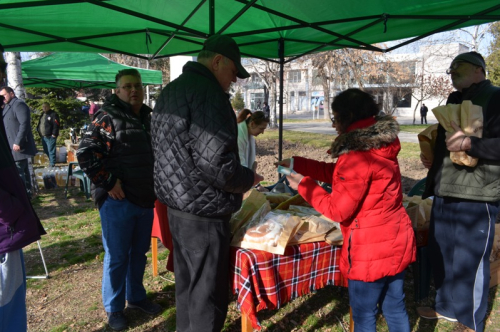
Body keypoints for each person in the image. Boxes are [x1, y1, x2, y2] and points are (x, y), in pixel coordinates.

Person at [276, 88, 416, 332]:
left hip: (369, 248)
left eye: (335, 118)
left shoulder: (357, 154)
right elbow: (344, 177)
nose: (333, 125)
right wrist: (301, 165)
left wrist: (302, 185)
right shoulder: (379, 144)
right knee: (395, 307)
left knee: (364, 316)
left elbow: (338, 210)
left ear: (348, 116)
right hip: (395, 239)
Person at [151, 34, 263, 332]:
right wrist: (249, 177)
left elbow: (165, 150)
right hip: (203, 213)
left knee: (188, 288)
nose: (234, 82)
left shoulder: (171, 90)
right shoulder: (209, 95)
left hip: (177, 206)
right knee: (207, 297)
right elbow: (219, 166)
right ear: (217, 62)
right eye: (232, 73)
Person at [417, 51, 500, 332]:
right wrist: (432, 159)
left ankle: (469, 319)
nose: (452, 72)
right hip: (445, 189)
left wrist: (469, 145)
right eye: (450, 69)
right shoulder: (453, 99)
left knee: (469, 259)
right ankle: (445, 307)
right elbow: (446, 142)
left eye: (458, 67)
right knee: (443, 252)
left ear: (479, 70)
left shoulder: (496, 97)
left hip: (478, 193)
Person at [77, 69, 161, 331]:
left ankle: (135, 297)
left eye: (137, 86)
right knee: (116, 257)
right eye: (127, 87)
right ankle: (114, 309)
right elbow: (85, 152)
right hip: (118, 201)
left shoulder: (147, 117)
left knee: (138, 254)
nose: (133, 90)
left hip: (144, 198)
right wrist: (108, 181)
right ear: (117, 90)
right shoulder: (107, 117)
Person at [0, 44, 46, 332]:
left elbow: (24, 125)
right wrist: (14, 210)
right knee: (9, 309)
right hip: (4, 228)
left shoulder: (17, 105)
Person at [0, 86, 37, 199]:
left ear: (11, 93)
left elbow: (24, 124)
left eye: (4, 95)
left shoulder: (18, 104)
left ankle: (25, 196)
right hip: (12, 145)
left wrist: (18, 142)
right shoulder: (8, 106)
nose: (2, 98)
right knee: (23, 171)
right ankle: (27, 195)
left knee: (20, 171)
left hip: (19, 145)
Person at [36, 102, 60, 167]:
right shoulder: (42, 114)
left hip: (50, 136)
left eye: (46, 106)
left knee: (51, 150)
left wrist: (54, 134)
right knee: (46, 150)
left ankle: (52, 164)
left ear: (49, 107)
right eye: (43, 107)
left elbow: (56, 125)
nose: (44, 108)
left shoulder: (53, 114)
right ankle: (51, 161)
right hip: (43, 136)